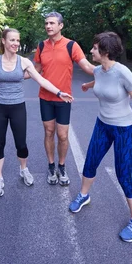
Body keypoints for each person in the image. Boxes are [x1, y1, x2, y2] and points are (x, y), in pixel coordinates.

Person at [68, 31, 132, 243]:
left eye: (94, 48)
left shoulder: (124, 73)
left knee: (123, 175)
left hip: (124, 129)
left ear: (106, 51)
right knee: (90, 162)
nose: (91, 50)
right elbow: (100, 79)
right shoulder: (99, 70)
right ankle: (84, 195)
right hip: (103, 125)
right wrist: (87, 85)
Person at [0, 28, 73, 198]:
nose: (15, 43)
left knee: (21, 144)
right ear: (3, 41)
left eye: (17, 40)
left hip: (18, 107)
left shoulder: (24, 62)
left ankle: (24, 170)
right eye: (12, 40)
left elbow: (42, 80)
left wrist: (59, 92)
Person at [34, 11, 95, 186]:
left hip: (64, 98)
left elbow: (86, 66)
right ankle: (51, 166)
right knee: (48, 132)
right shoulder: (41, 46)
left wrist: (106, 69)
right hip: (45, 97)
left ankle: (62, 166)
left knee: (62, 135)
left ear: (61, 26)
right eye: (46, 23)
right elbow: (35, 70)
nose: (48, 26)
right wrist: (12, 74)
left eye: (52, 23)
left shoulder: (71, 45)